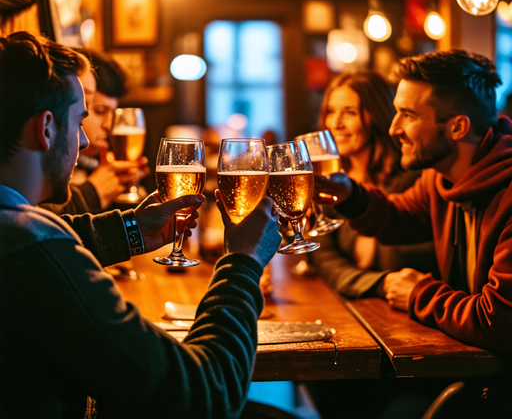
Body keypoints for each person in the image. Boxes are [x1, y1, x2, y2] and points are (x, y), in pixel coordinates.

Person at [0, 32, 282, 419]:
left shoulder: (19, 232)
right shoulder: (34, 251)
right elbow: (205, 395)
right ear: (46, 128)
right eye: (79, 121)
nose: (84, 141)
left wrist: (133, 228)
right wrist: (243, 263)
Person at [315, 49, 512, 357]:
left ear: (458, 127)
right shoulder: (440, 179)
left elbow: (499, 321)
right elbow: (397, 218)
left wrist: (420, 294)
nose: (394, 128)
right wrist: (349, 195)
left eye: (409, 114)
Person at [310, 71, 435, 298]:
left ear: (377, 114)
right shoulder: (333, 179)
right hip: (363, 307)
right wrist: (379, 283)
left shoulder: (413, 177)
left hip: (410, 314)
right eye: (331, 111)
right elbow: (323, 256)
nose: (336, 123)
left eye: (350, 112)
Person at [40, 49, 148, 215]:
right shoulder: (48, 161)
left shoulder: (97, 162)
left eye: (113, 112)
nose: (109, 125)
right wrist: (92, 193)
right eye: (99, 110)